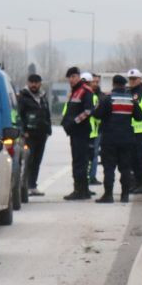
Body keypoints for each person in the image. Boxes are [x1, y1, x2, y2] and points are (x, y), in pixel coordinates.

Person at [91, 74, 142, 203]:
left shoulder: (107, 98)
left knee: (109, 168)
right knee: (125, 168)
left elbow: (96, 114)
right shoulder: (131, 99)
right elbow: (139, 117)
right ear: (124, 85)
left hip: (110, 139)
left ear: (113, 84)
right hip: (127, 139)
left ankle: (108, 195)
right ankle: (125, 196)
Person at [60, 67, 95, 200]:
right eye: (69, 77)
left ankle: (80, 190)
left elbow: (88, 111)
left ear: (79, 77)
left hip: (81, 132)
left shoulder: (85, 91)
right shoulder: (75, 91)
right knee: (78, 161)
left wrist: (73, 122)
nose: (71, 79)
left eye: (74, 76)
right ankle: (83, 190)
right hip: (75, 132)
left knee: (80, 162)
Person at [16, 74, 51, 196]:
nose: (34, 85)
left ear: (40, 83)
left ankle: (32, 186)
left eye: (36, 82)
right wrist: (22, 131)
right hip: (28, 135)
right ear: (28, 83)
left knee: (37, 161)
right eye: (32, 82)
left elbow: (47, 113)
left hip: (41, 134)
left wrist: (48, 130)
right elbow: (18, 115)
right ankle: (24, 186)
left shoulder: (43, 96)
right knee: (28, 161)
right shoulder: (23, 97)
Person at [87, 73, 102, 187]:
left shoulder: (100, 96)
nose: (96, 84)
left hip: (97, 130)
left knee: (95, 154)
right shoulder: (87, 95)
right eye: (94, 81)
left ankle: (92, 176)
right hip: (87, 130)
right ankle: (87, 177)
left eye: (97, 82)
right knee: (88, 156)